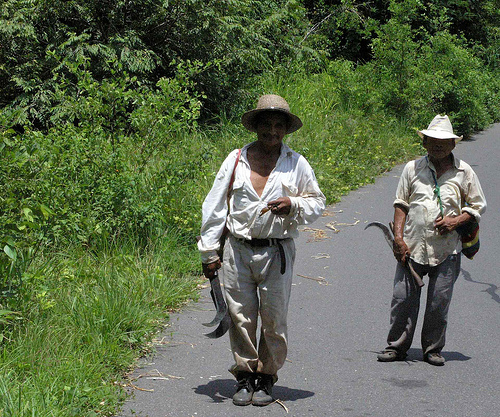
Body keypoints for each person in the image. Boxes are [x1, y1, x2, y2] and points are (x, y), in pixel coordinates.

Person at [198, 94, 326, 406]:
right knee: (241, 317)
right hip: (237, 250)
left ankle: (267, 378)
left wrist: (292, 205)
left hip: (276, 253)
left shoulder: (296, 163)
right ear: (256, 127)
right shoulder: (236, 160)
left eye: (278, 125)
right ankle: (244, 377)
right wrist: (209, 252)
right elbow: (215, 207)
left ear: (286, 129)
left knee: (274, 319)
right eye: (266, 124)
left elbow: (317, 202)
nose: (272, 131)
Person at [377, 115, 487, 366]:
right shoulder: (411, 168)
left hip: (447, 250)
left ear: (452, 145)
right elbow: (401, 204)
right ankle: (396, 347)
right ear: (424, 142)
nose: (437, 145)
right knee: (402, 299)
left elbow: (478, 205)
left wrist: (455, 221)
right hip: (412, 246)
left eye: (443, 141)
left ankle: (433, 349)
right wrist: (398, 237)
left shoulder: (464, 172)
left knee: (439, 302)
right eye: (432, 140)